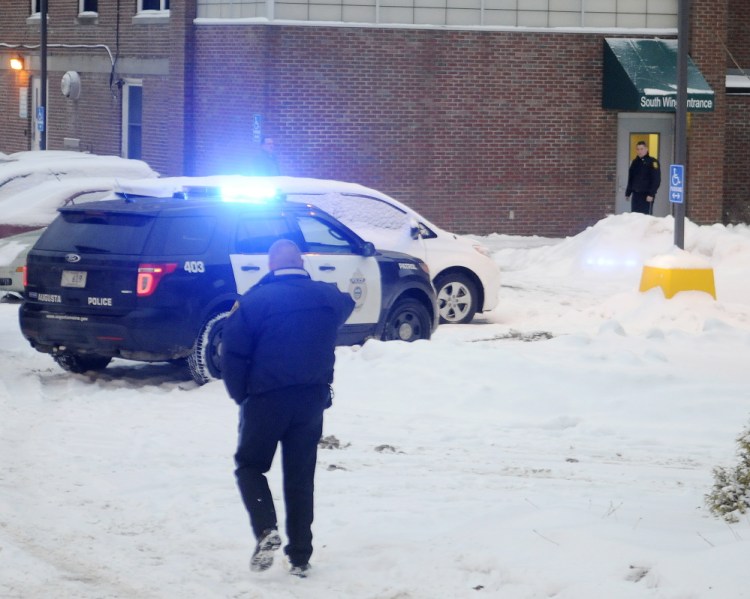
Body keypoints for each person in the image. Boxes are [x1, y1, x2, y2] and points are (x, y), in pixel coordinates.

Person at [221, 239, 355, 578]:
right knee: (300, 478)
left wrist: (242, 396)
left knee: (250, 466)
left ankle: (267, 529)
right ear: (302, 263)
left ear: (270, 266)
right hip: (311, 400)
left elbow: (232, 355)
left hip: (266, 399)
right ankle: (300, 557)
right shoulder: (327, 297)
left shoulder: (253, 302)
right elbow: (347, 301)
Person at [625, 141, 661, 215]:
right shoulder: (635, 162)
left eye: (642, 149)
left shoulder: (652, 162)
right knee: (635, 216)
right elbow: (631, 178)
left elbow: (656, 179)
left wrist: (651, 194)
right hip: (636, 194)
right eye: (638, 149)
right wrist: (628, 192)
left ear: (646, 149)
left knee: (645, 217)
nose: (639, 151)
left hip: (646, 195)